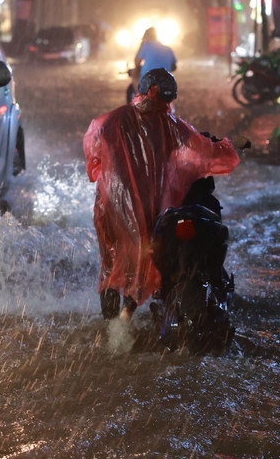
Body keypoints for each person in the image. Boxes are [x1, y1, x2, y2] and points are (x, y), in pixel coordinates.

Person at [83, 67, 241, 323]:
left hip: (110, 207)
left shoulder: (113, 120)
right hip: (149, 207)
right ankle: (124, 320)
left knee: (112, 262)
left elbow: (94, 156)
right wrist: (230, 146)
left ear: (143, 91)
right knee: (143, 260)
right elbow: (207, 151)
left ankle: (110, 326)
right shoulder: (173, 126)